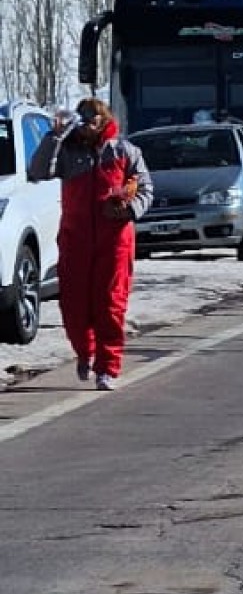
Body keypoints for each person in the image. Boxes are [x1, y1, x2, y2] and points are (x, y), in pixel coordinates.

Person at [27, 98, 153, 391]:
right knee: (73, 306)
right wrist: (54, 136)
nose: (88, 123)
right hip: (76, 238)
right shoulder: (68, 150)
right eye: (83, 118)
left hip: (115, 240)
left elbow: (145, 187)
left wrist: (130, 209)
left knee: (110, 304)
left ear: (104, 119)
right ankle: (85, 353)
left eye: (94, 117)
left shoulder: (125, 151)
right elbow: (38, 170)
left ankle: (108, 367)